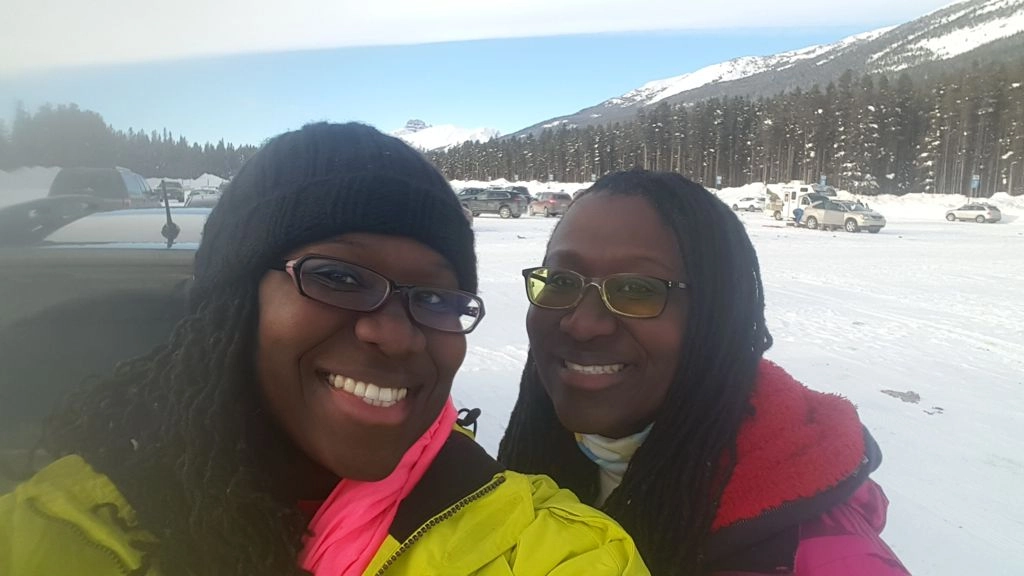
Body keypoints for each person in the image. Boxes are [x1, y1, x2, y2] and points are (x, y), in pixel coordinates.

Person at [0, 123, 648, 576]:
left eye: (436, 298)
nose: (396, 334)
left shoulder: (546, 550)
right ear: (232, 304)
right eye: (338, 277)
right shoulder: (58, 534)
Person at [498, 169, 909, 576]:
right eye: (562, 280)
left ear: (717, 318)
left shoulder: (810, 554)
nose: (582, 324)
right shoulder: (532, 467)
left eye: (637, 289)